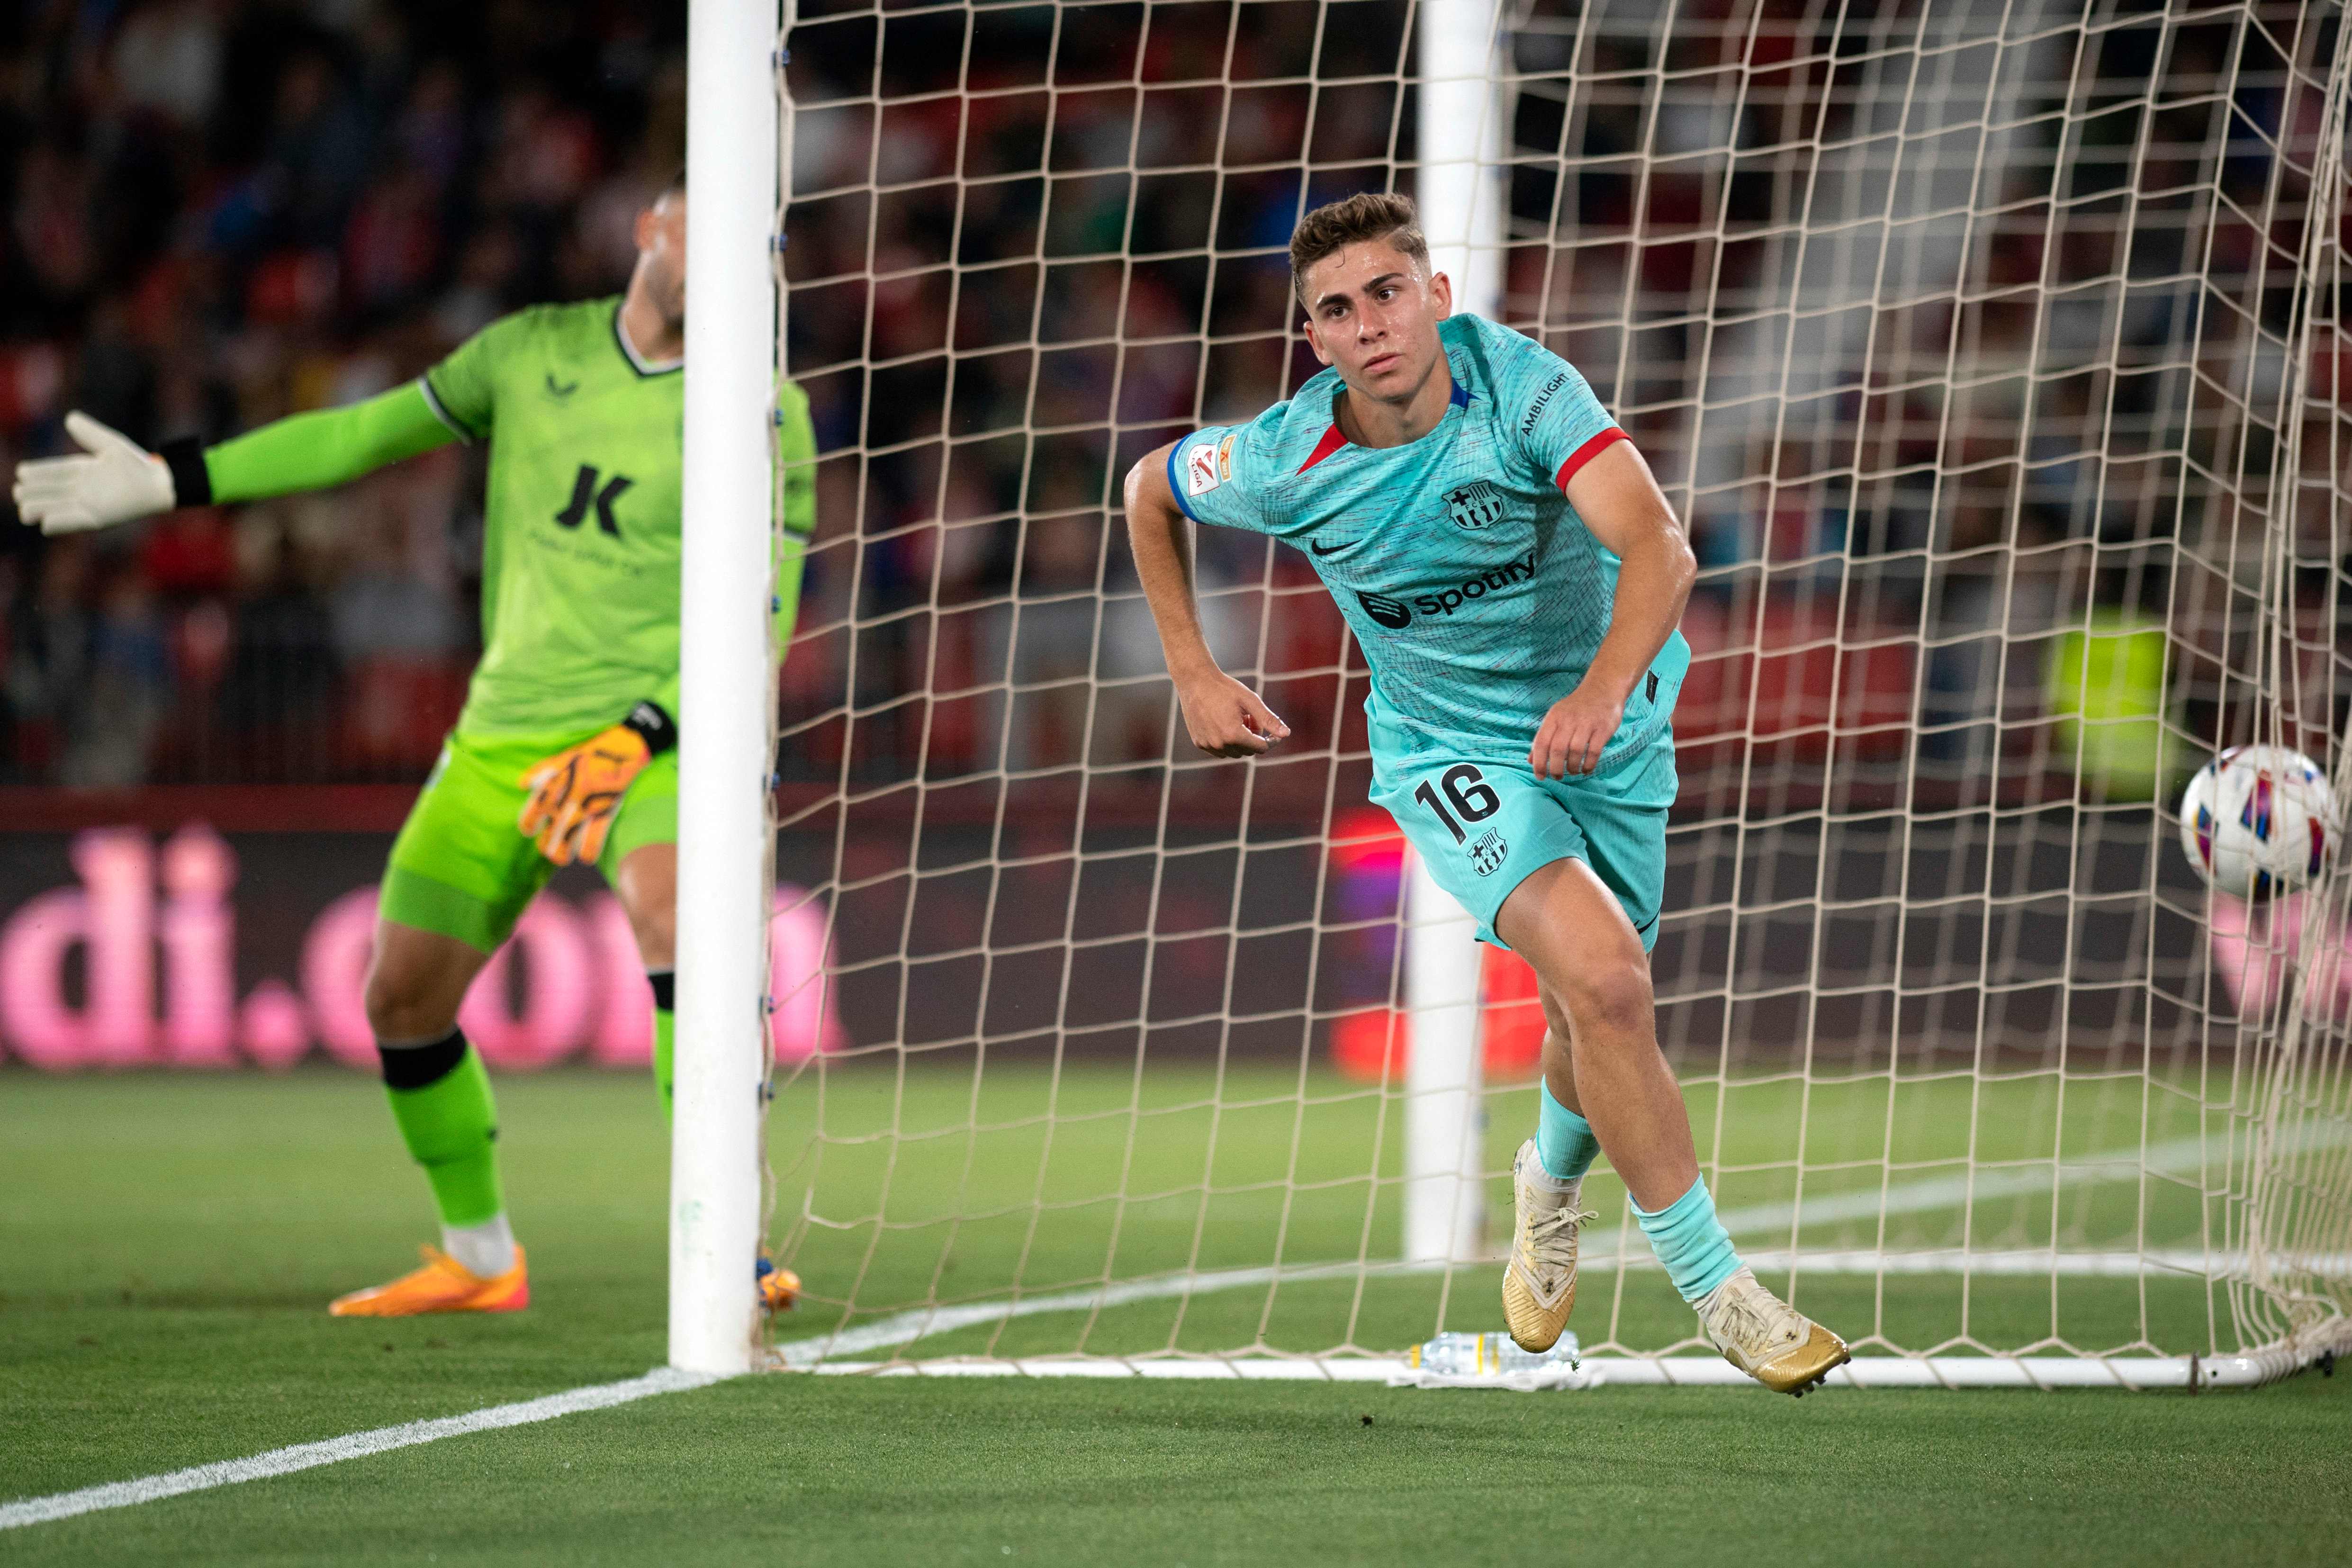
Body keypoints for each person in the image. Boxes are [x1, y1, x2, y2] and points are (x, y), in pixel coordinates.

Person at [13, 175, 816, 1320]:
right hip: (499, 738)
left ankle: (726, 1234)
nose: (717, 253)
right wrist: (173, 479)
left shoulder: (768, 407)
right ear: (648, 226)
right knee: (400, 996)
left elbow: (765, 614)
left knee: (680, 923)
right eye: (701, 222)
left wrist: (641, 733)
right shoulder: (527, 351)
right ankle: (481, 1256)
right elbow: (358, 435)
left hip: (655, 739)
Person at [1121, 191, 1847, 1395]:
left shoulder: (1522, 390)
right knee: (1609, 980)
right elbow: (1149, 489)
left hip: (1607, 723)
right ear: (1312, 341)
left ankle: (1547, 1192)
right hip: (1448, 754)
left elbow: (1661, 547)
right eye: (1336, 311)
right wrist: (1191, 671)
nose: (1368, 326)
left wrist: (1603, 692)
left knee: (1591, 1007)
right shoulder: (1280, 457)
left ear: (1437, 299)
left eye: (1387, 293)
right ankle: (1723, 1296)